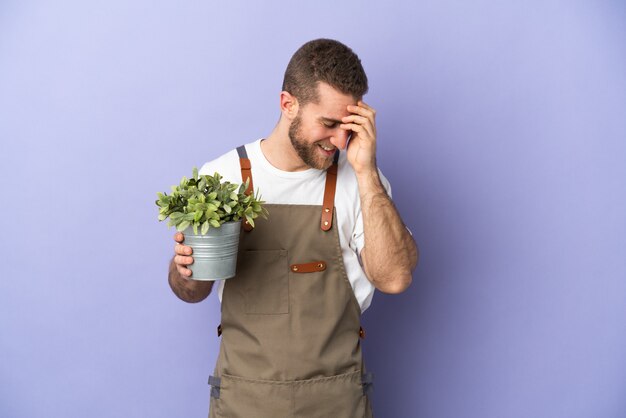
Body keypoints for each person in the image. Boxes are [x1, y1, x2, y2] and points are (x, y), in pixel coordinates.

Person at [168, 38, 418, 417]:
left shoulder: (364, 183)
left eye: (347, 127)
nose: (339, 140)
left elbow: (395, 278)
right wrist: (185, 268)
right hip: (244, 402)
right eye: (329, 124)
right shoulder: (222, 177)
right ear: (288, 105)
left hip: (337, 402)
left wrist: (367, 172)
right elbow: (190, 292)